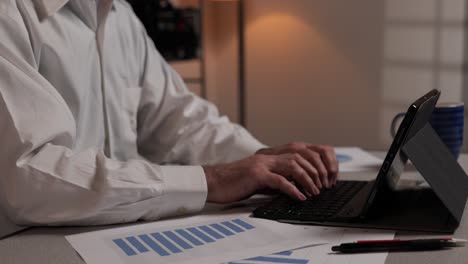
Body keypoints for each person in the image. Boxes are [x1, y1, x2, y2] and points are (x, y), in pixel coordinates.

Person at [0, 0, 338, 226]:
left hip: (117, 233)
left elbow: (179, 120)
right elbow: (28, 179)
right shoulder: (10, 14)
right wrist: (212, 179)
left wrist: (263, 163)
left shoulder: (121, 16)